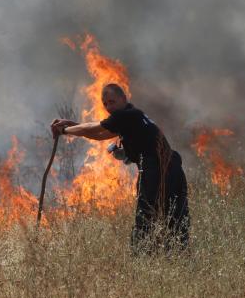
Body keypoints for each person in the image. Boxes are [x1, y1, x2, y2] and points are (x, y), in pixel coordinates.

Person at [51, 84, 190, 252]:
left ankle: (143, 257)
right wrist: (73, 125)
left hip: (157, 170)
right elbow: (99, 135)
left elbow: (94, 128)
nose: (109, 107)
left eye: (112, 101)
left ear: (124, 99)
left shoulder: (127, 115)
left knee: (147, 217)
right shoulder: (133, 116)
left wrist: (64, 130)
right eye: (105, 104)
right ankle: (176, 254)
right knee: (174, 216)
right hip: (172, 169)